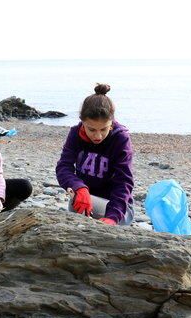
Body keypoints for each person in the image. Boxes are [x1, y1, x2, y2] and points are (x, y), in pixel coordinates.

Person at [55, 83, 134, 226]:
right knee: (76, 202)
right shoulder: (75, 133)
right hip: (85, 198)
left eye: (104, 129)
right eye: (91, 129)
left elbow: (124, 182)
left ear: (111, 123)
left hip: (119, 208)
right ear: (82, 122)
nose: (98, 136)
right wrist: (78, 186)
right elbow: (63, 167)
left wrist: (112, 217)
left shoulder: (120, 138)